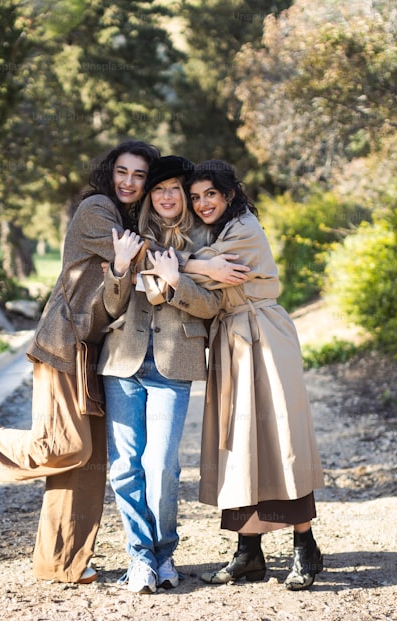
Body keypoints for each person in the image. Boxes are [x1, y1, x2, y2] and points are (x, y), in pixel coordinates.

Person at [0, 140, 160, 584]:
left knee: (89, 463)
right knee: (65, 446)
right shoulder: (97, 210)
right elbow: (143, 258)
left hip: (96, 352)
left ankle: (62, 562)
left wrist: (126, 269)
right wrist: (201, 264)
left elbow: (118, 290)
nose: (129, 182)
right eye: (123, 171)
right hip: (63, 345)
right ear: (110, 172)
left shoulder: (127, 220)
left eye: (140, 176)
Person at [146, 159, 326, 590]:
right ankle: (249, 553)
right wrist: (202, 268)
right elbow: (187, 267)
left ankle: (306, 547)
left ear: (228, 195)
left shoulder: (244, 228)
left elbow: (174, 264)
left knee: (282, 438)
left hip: (264, 336)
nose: (202, 203)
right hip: (230, 339)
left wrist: (191, 266)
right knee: (237, 443)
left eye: (211, 194)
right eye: (195, 197)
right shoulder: (212, 233)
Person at [99, 156, 221, 594]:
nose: (167, 196)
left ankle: (165, 552)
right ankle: (140, 559)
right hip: (123, 362)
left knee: (162, 464)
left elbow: (213, 307)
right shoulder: (130, 236)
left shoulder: (207, 238)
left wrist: (177, 280)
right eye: (159, 189)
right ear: (150, 196)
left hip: (174, 363)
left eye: (174, 189)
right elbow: (110, 306)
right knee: (125, 467)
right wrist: (118, 267)